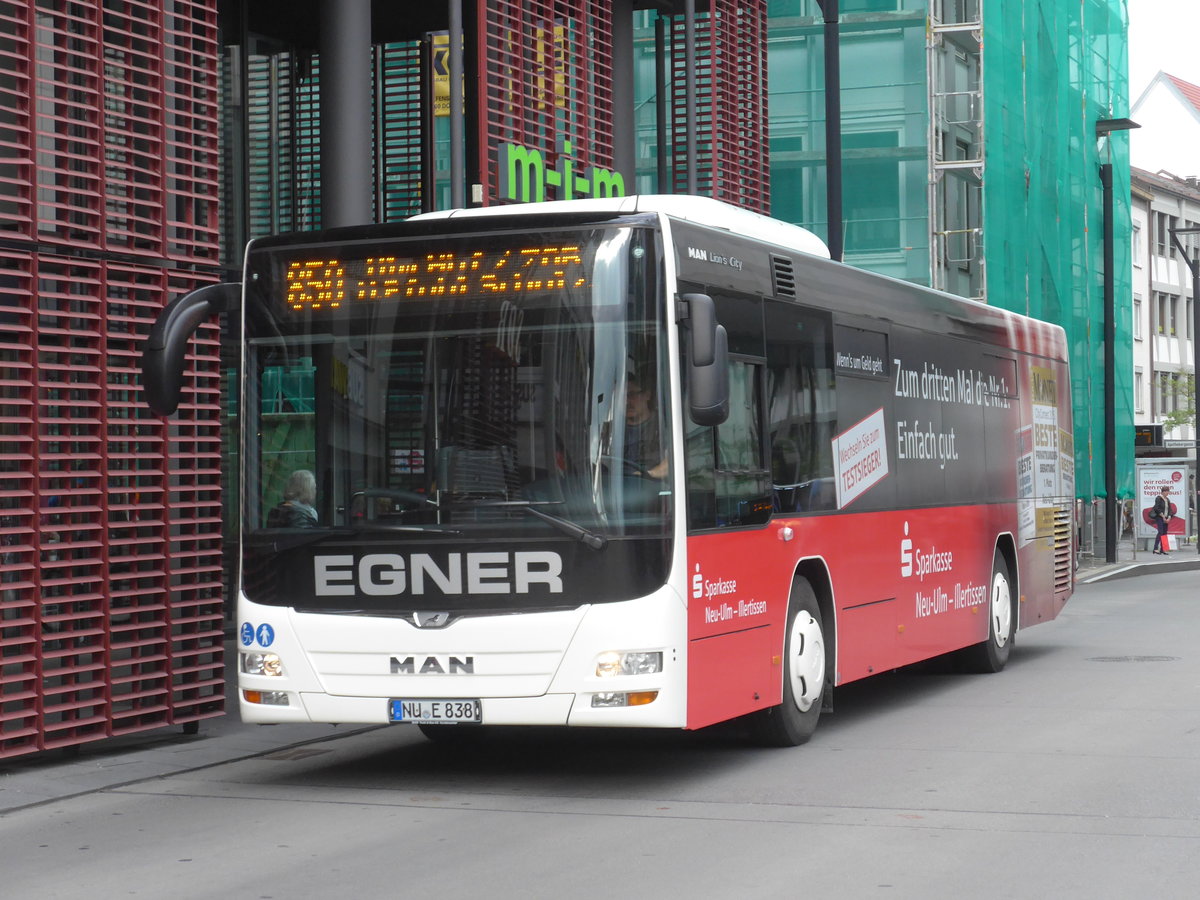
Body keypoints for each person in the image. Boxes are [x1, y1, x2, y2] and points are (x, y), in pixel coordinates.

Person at [623, 373, 668, 479]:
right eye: (622, 396)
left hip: (654, 488)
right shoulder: (609, 431)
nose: (626, 401)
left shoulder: (665, 424)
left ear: (647, 395)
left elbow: (676, 459)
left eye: (632, 394)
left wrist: (650, 475)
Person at [1151, 485, 1172, 554]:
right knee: (1160, 532)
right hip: (1160, 517)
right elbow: (1157, 508)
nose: (1167, 493)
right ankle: (1155, 548)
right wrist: (1163, 516)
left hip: (1166, 518)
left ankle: (1163, 549)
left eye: (1167, 491)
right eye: (1165, 491)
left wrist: (1168, 517)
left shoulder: (1167, 500)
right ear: (1162, 492)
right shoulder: (1159, 498)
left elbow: (1170, 510)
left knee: (1165, 533)